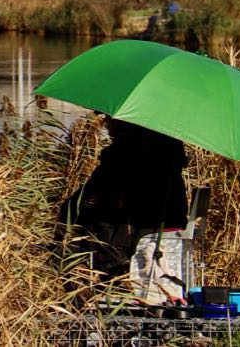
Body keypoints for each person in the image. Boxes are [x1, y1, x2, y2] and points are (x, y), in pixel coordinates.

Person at [60, 117, 188, 299]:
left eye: (109, 119)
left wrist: (71, 209)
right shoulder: (169, 151)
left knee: (74, 220)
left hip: (131, 237)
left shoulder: (124, 153)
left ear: (126, 122)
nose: (106, 123)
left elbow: (90, 195)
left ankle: (83, 289)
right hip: (164, 230)